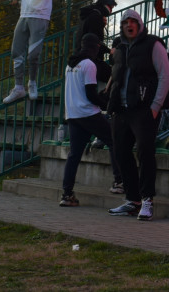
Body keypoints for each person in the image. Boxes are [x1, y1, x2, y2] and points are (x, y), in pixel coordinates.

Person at [105, 10, 169, 221]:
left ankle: (147, 200)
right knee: (121, 153)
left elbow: (165, 76)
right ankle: (132, 200)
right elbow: (115, 77)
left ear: (140, 24)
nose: (129, 25)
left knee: (145, 153)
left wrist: (155, 106)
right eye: (125, 23)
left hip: (144, 109)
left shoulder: (153, 44)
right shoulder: (120, 48)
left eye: (133, 22)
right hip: (121, 110)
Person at [60, 33, 119, 207]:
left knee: (74, 155)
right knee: (113, 140)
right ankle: (118, 182)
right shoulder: (89, 65)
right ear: (95, 47)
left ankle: (67, 194)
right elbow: (90, 94)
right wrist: (104, 104)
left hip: (72, 114)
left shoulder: (70, 65)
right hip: (88, 112)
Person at [3, 0, 53, 103]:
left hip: (39, 16)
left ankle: (32, 83)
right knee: (16, 51)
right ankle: (19, 88)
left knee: (33, 54)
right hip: (24, 15)